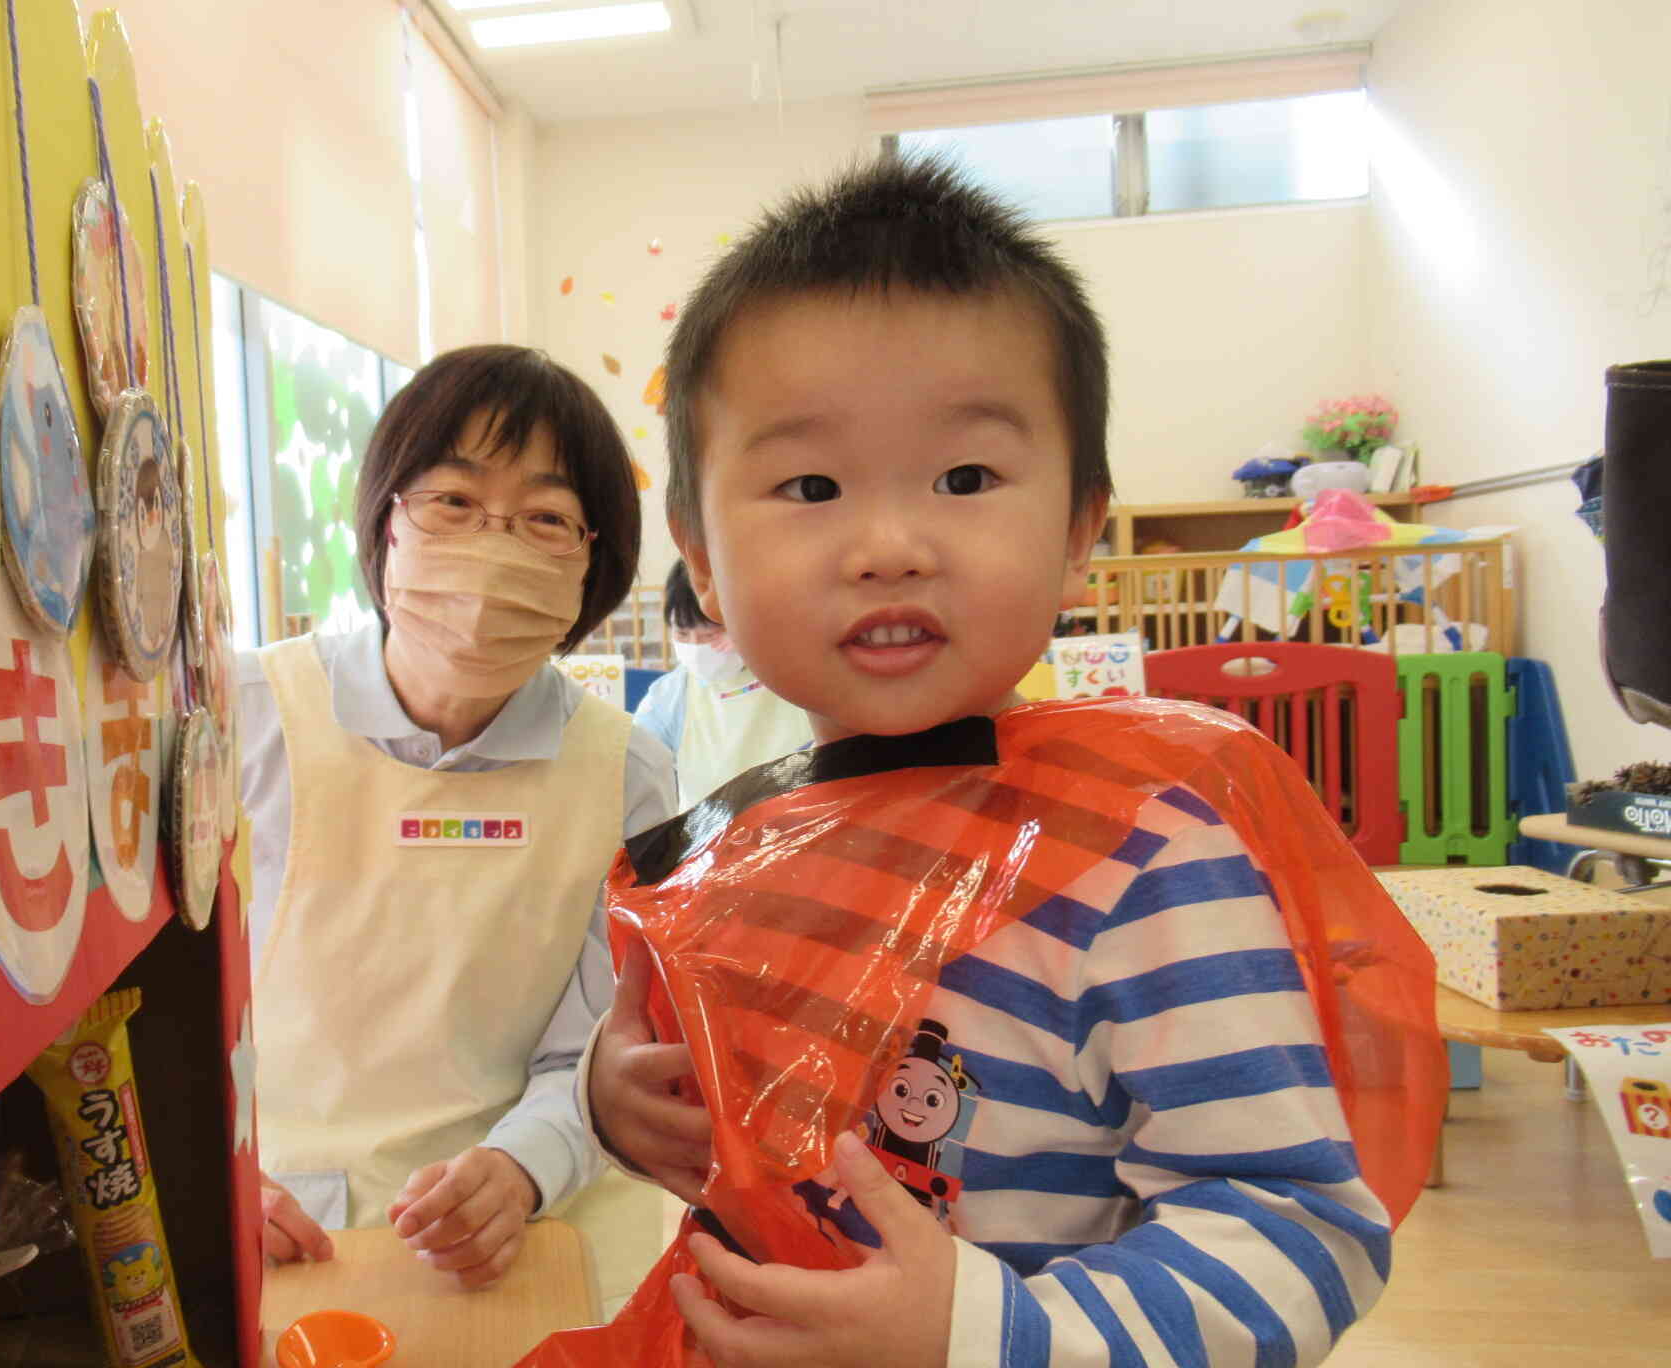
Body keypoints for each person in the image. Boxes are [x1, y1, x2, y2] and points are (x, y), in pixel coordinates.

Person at [578, 157, 1438, 1366]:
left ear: (1081, 527)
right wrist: (618, 1104)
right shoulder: (734, 846)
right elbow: (734, 1113)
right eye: (809, 485)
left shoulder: (1141, 866)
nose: (888, 545)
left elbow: (1297, 1228)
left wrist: (981, 1332)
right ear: (702, 560)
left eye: (965, 477)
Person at [239, 344, 676, 1289]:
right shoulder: (250, 714)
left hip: (513, 1235)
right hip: (268, 1218)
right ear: (388, 520)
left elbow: (606, 1044)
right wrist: (210, 1176)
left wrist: (521, 1169)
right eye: (454, 502)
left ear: (592, 567)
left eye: (547, 518)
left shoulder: (626, 772)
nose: (494, 547)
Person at [633, 561, 812, 807]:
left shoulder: (796, 672)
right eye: (682, 635)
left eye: (711, 634)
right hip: (707, 838)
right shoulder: (671, 694)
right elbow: (635, 760)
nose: (697, 648)